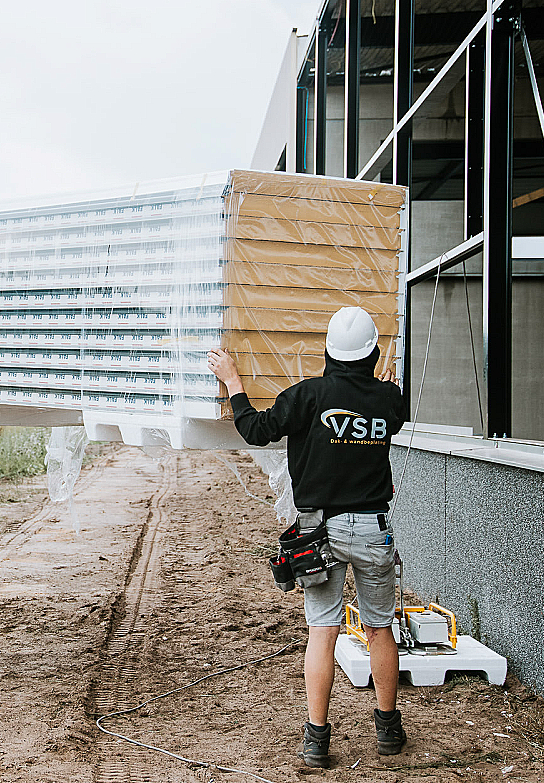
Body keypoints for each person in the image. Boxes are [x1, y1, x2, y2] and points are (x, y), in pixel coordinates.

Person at [206, 305, 409, 769]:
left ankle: (317, 740)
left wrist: (233, 380)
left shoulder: (307, 396)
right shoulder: (388, 400)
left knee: (323, 630)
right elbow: (391, 411)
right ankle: (388, 731)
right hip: (374, 530)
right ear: (373, 355)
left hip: (320, 533)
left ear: (327, 352)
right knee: (379, 628)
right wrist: (386, 385)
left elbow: (255, 430)